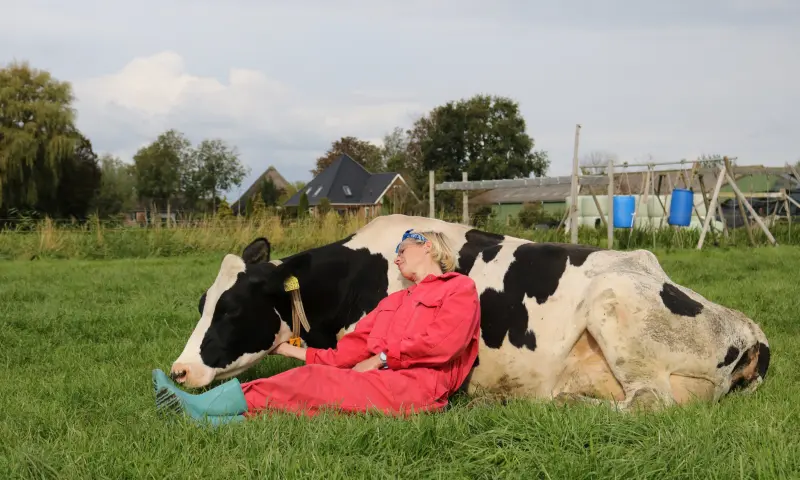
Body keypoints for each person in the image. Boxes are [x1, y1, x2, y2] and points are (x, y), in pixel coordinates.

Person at [152, 228, 482, 425]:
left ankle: (194, 406)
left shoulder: (458, 290)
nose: (397, 257)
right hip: (381, 382)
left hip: (419, 388)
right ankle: (211, 420)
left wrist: (383, 358)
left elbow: (443, 345)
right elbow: (346, 354)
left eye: (403, 249)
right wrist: (290, 349)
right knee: (307, 399)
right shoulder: (392, 303)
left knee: (312, 384)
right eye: (395, 253)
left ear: (427, 244)